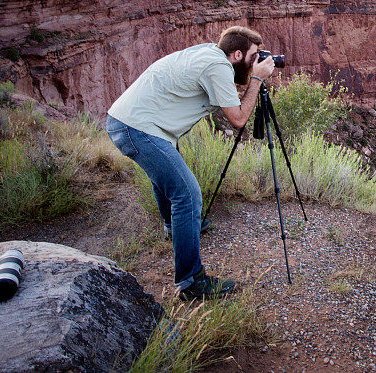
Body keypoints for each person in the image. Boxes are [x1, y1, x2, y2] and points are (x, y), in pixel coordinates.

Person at [105, 26, 276, 300]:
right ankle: (190, 282)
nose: (259, 61)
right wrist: (256, 79)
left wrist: (250, 72)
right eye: (255, 56)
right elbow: (238, 119)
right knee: (187, 194)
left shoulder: (212, 55)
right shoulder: (218, 68)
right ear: (237, 54)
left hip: (129, 122)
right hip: (139, 128)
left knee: (168, 181)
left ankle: (176, 230)